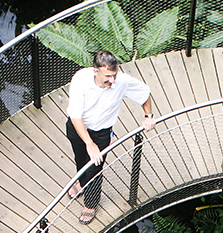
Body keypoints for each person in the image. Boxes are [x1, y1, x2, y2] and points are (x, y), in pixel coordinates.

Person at [65, 51, 157, 222]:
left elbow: (144, 93)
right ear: (96, 71)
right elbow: (75, 117)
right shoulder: (81, 80)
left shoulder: (121, 81)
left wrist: (148, 116)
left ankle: (90, 203)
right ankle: (81, 183)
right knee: (80, 158)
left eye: (114, 75)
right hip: (78, 128)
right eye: (107, 76)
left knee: (94, 167)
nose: (112, 81)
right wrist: (88, 143)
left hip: (101, 133)